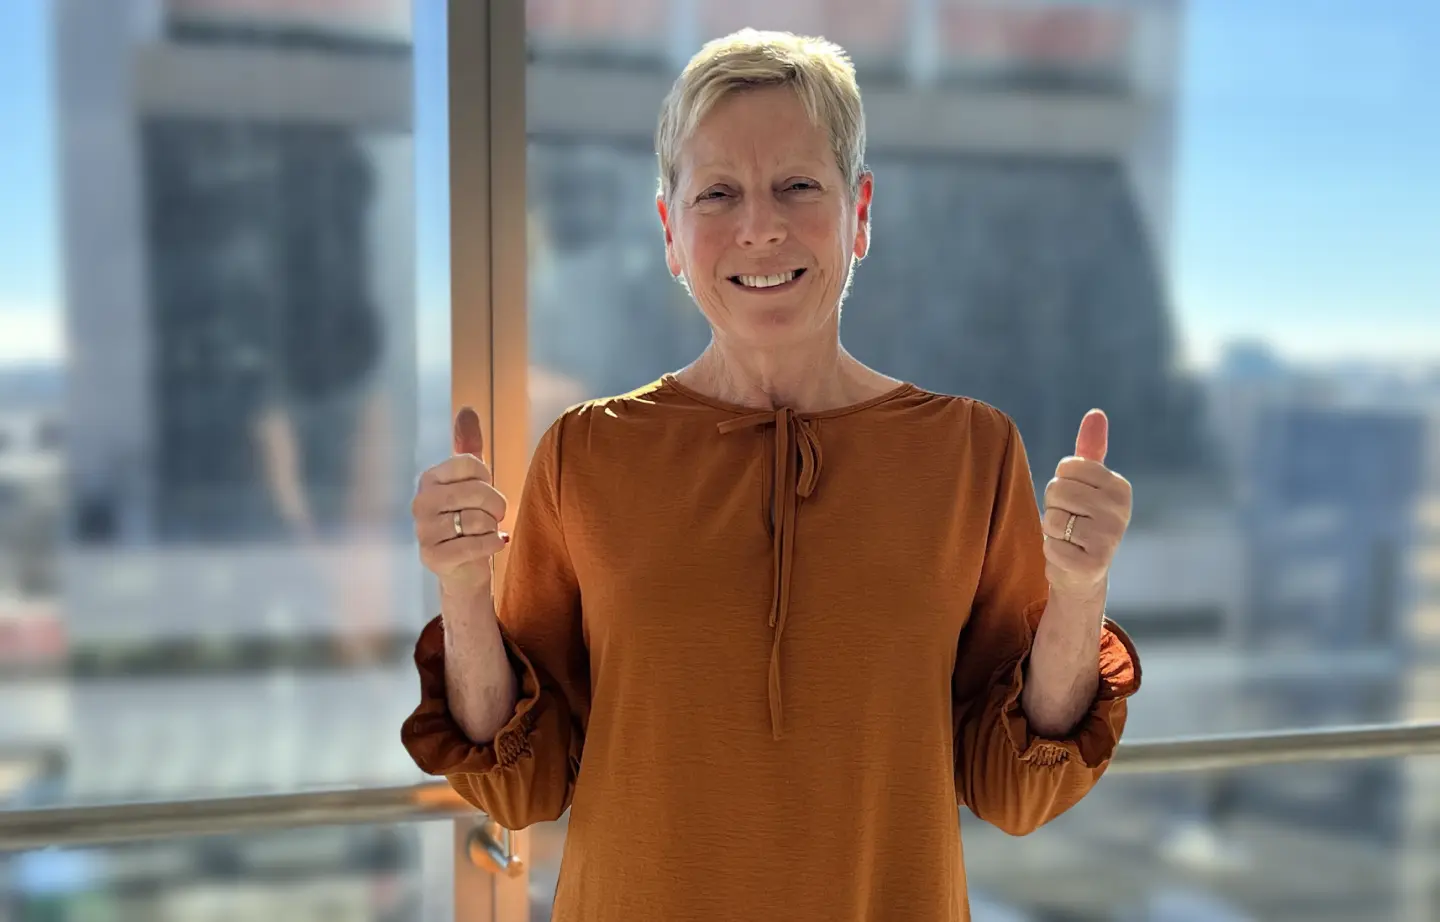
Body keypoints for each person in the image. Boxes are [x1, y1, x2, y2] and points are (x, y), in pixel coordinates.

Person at [401, 28, 1140, 921]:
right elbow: (524, 783)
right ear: (671, 231)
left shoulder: (971, 453)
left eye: (798, 185)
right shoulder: (584, 455)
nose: (760, 227)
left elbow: (1014, 789)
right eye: (718, 193)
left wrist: (1080, 594)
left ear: (859, 213)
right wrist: (463, 592)